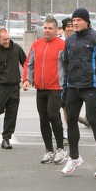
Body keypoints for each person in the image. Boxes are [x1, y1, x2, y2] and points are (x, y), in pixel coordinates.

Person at [61, 7, 96, 177]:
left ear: (87, 21)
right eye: (73, 20)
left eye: (78, 20)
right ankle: (74, 157)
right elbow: (66, 65)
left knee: (92, 120)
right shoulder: (69, 41)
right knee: (72, 120)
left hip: (91, 87)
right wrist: (65, 87)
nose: (75, 23)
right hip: (73, 87)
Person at [22, 18, 67, 164]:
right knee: (43, 118)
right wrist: (27, 79)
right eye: (45, 28)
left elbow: (68, 65)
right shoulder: (36, 44)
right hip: (41, 88)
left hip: (56, 87)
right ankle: (49, 150)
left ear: (56, 30)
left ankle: (60, 148)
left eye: (50, 28)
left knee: (53, 115)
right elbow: (29, 63)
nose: (46, 31)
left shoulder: (62, 45)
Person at [0, 28, 27, 150]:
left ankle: (6, 138)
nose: (6, 42)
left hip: (14, 85)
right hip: (0, 85)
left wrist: (26, 78)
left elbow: (25, 62)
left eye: (8, 39)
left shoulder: (16, 49)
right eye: (4, 39)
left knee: (12, 113)